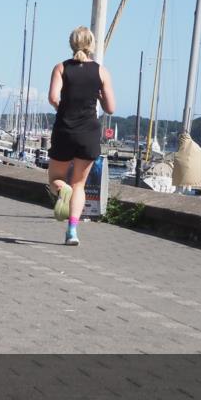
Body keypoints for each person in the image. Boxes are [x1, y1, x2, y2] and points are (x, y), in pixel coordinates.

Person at [47, 26, 116, 246]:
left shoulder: (61, 68)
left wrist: (63, 108)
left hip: (65, 129)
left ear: (71, 43)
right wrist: (100, 97)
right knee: (80, 185)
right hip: (89, 132)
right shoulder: (101, 72)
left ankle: (62, 189)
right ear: (91, 45)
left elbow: (52, 97)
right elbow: (111, 108)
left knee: (54, 179)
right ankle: (72, 231)